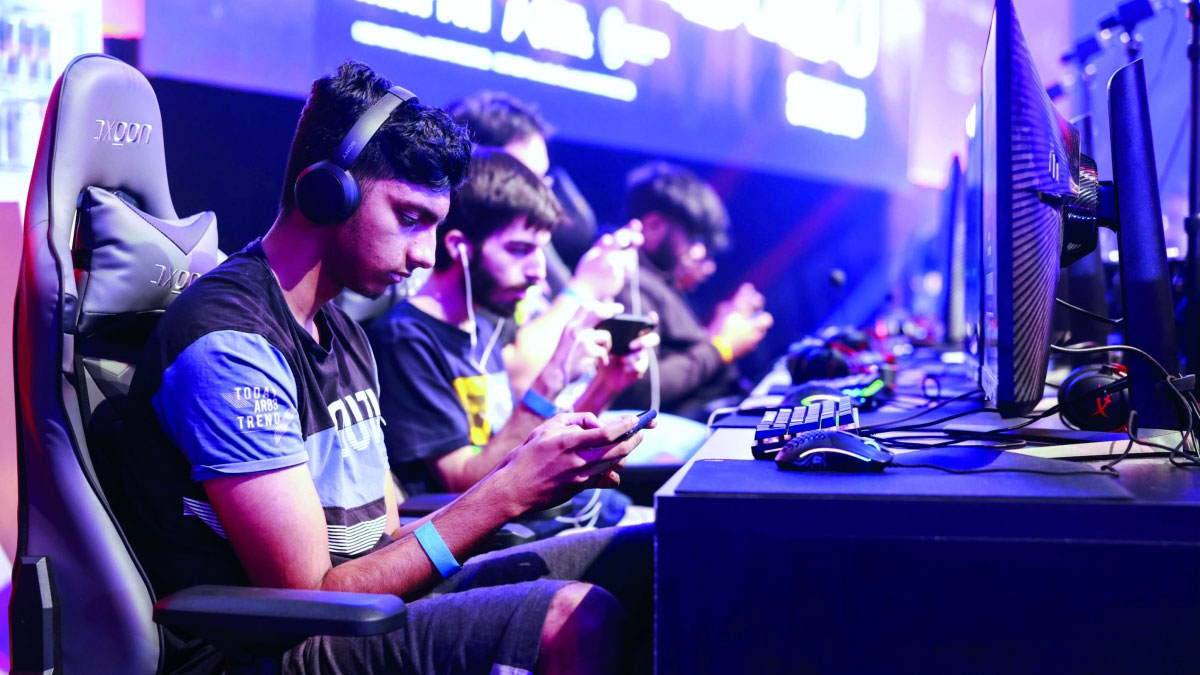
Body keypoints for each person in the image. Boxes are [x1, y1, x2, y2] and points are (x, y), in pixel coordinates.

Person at [105, 61, 652, 674]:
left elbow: (383, 537)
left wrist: (529, 477)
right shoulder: (230, 345)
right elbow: (310, 596)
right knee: (575, 617)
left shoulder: (342, 331)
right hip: (268, 647)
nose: (424, 255)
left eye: (434, 226)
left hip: (365, 607)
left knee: (650, 554)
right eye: (409, 218)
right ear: (323, 194)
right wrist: (506, 493)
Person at [368, 150, 655, 529]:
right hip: (497, 538)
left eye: (540, 250)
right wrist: (552, 377)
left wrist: (605, 386)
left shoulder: (483, 327)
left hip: (545, 520)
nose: (538, 271)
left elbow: (529, 451)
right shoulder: (407, 340)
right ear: (459, 247)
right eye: (520, 250)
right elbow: (464, 482)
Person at [447, 91, 641, 398]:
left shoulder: (535, 246)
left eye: (543, 180)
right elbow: (515, 382)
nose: (543, 195)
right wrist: (586, 288)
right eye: (526, 178)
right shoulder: (470, 260)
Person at [613, 161, 774, 421]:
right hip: (678, 428)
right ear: (653, 226)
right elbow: (641, 390)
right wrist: (721, 346)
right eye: (693, 238)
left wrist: (725, 326)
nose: (699, 252)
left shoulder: (658, 283)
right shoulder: (628, 281)